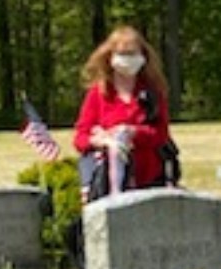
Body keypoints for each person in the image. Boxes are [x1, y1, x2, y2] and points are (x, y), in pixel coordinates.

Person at [73, 25, 176, 197]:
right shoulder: (97, 94)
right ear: (110, 57)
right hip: (107, 180)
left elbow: (162, 134)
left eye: (133, 54)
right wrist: (103, 140)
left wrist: (133, 132)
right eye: (122, 54)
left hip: (149, 178)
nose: (128, 59)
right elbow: (80, 138)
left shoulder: (153, 93)